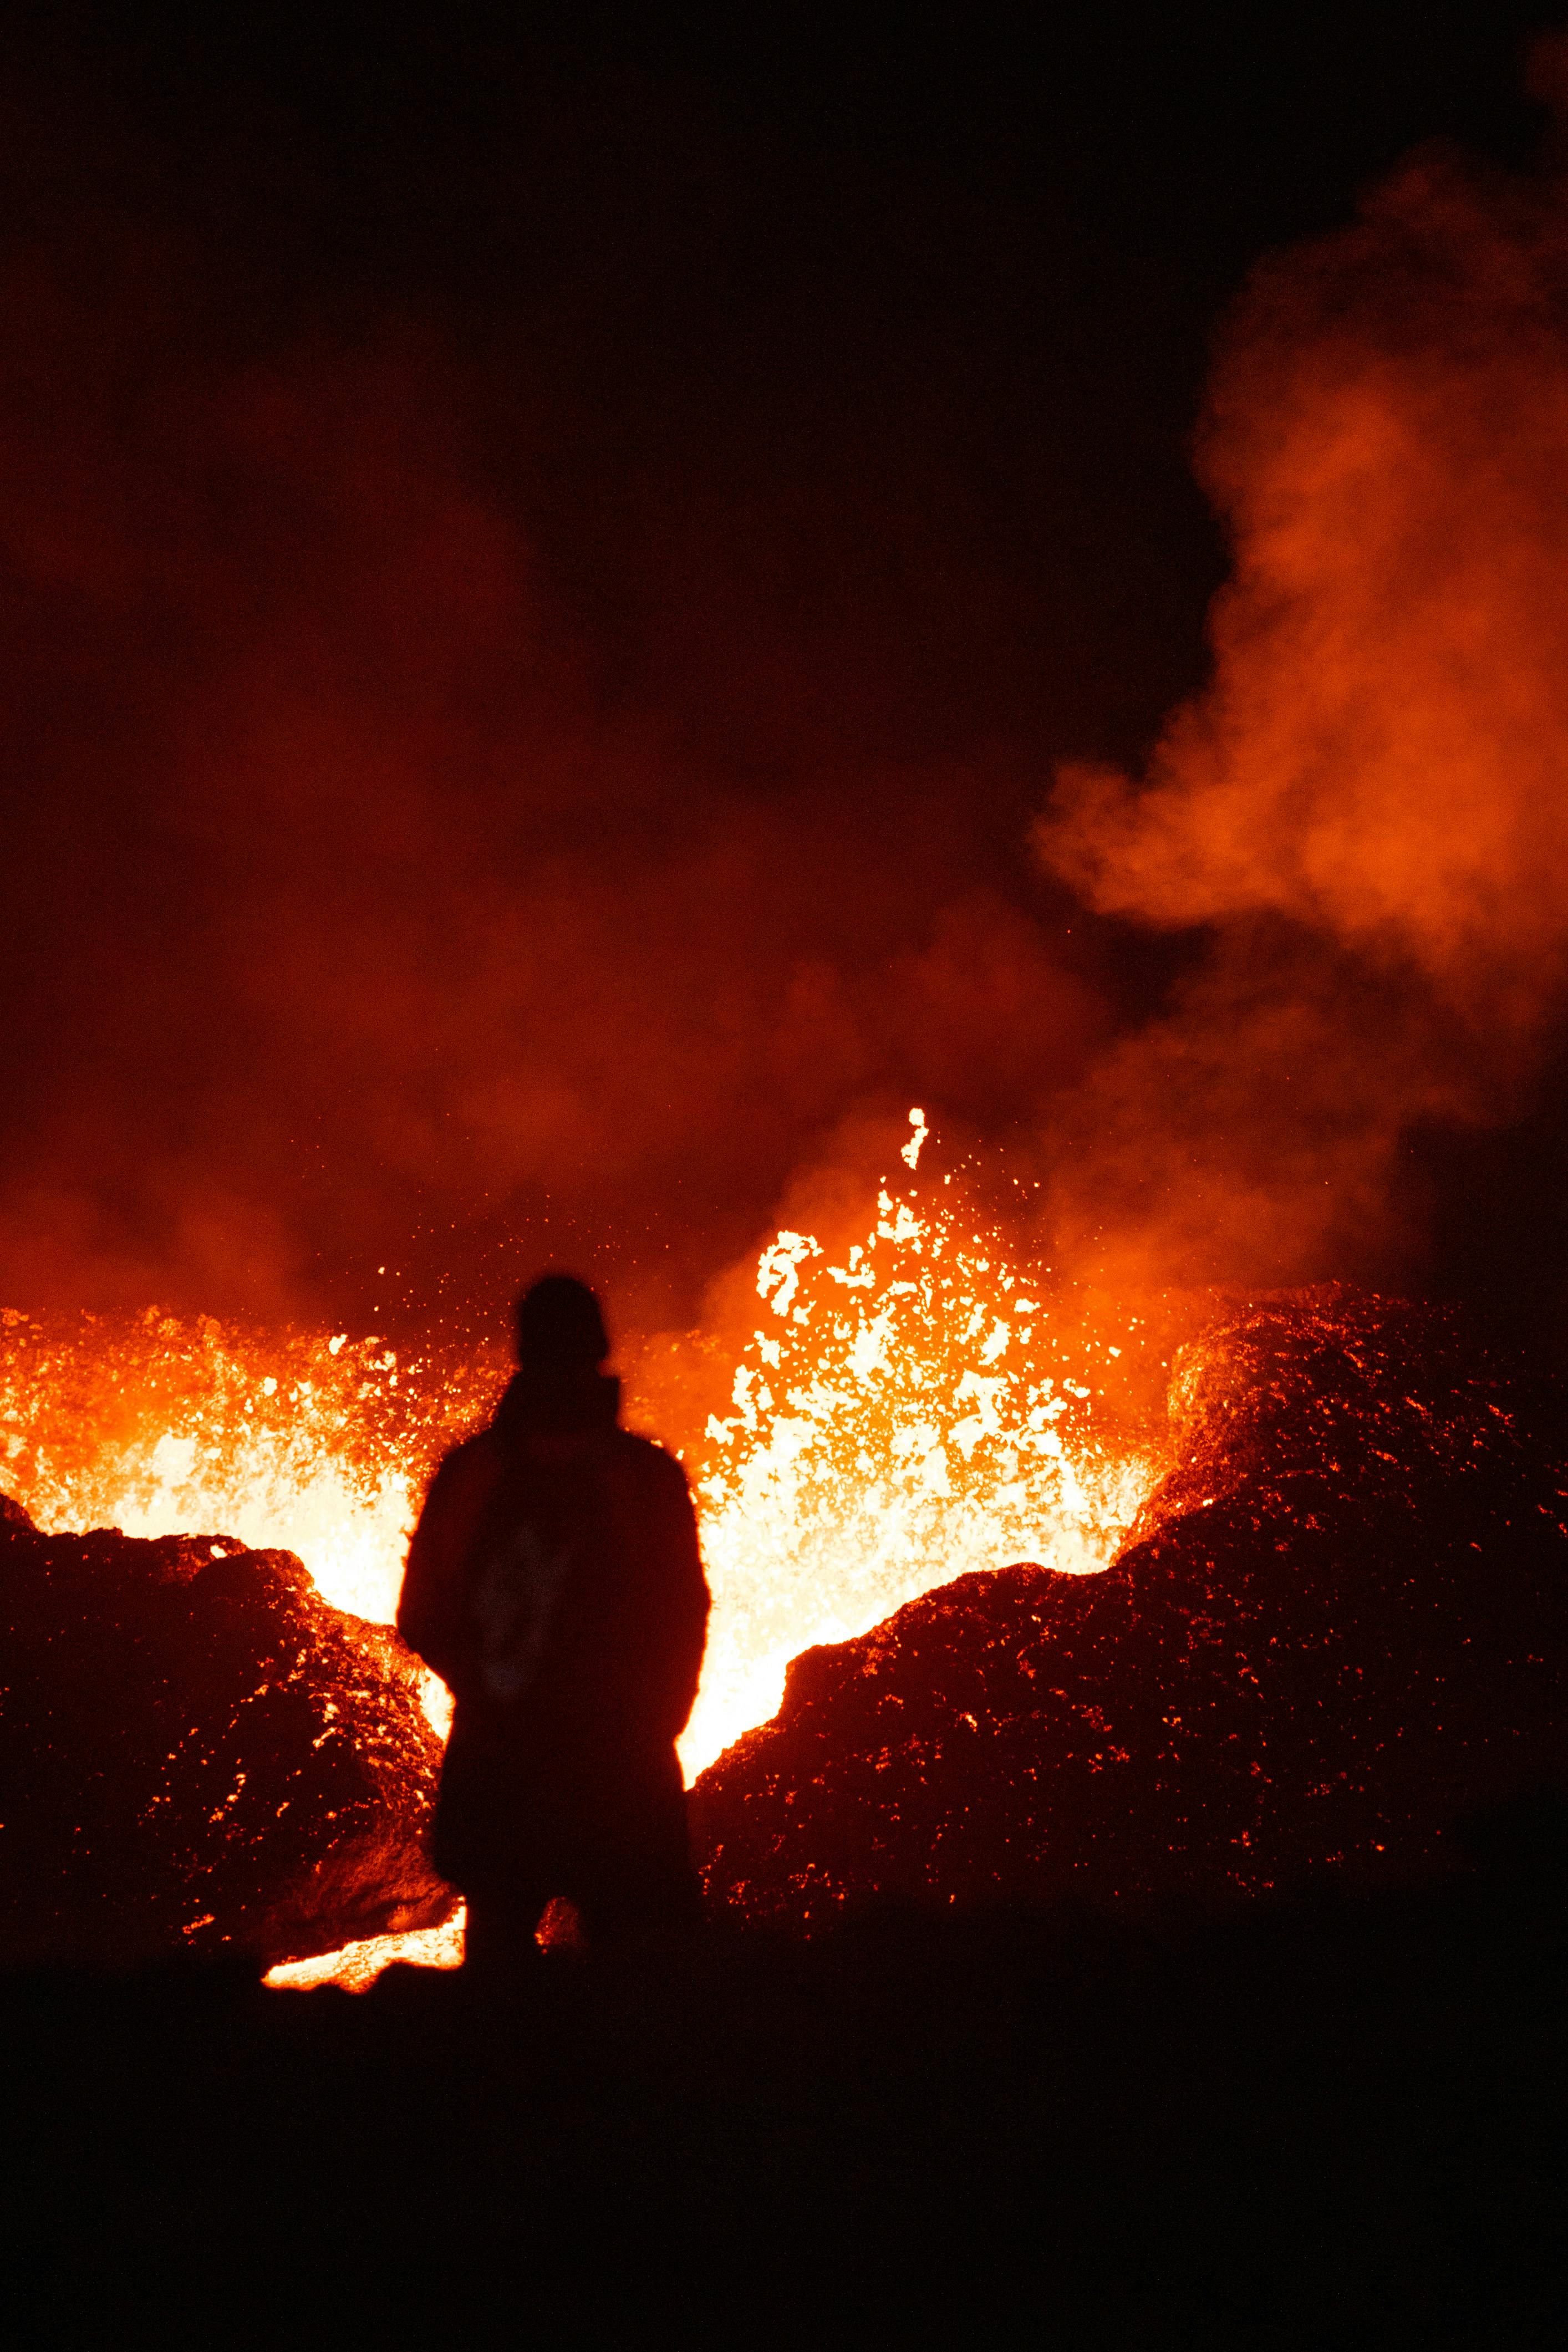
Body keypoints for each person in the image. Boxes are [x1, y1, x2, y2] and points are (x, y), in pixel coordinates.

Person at [396, 1274, 710, 1971]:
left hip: (507, 1763)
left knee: (498, 1985)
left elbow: (422, 1612)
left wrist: (489, 1694)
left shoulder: (473, 1471)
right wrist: (655, 1716)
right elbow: (684, 1611)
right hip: (621, 1766)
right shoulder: (646, 1478)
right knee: (647, 1979)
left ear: (521, 1351)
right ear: (601, 1346)